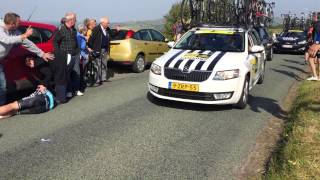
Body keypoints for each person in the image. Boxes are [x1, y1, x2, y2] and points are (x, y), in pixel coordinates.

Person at [0, 12, 54, 105]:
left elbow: (27, 43)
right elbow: (6, 40)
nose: (20, 23)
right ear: (12, 24)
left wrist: (42, 53)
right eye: (18, 22)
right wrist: (24, 35)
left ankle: (2, 108)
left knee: (2, 85)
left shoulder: (15, 31)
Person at [52, 12, 80, 103]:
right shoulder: (61, 29)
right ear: (71, 20)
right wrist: (58, 53)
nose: (75, 21)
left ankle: (74, 90)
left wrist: (78, 51)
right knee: (66, 74)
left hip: (74, 54)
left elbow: (75, 41)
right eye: (75, 19)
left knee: (76, 72)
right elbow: (55, 42)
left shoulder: (73, 30)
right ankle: (68, 91)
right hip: (64, 56)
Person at [88, 17, 118, 85]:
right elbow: (91, 40)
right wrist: (90, 48)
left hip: (105, 49)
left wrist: (117, 31)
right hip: (98, 49)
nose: (108, 24)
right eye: (107, 23)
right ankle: (97, 80)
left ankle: (103, 78)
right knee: (98, 65)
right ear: (102, 23)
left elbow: (112, 35)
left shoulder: (107, 29)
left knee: (104, 64)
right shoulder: (96, 29)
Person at [306, 12, 320, 81]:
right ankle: (316, 76)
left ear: (315, 17)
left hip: (317, 44)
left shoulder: (316, 23)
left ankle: (315, 76)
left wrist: (316, 43)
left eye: (313, 16)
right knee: (314, 59)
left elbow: (319, 33)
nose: (312, 17)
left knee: (311, 59)